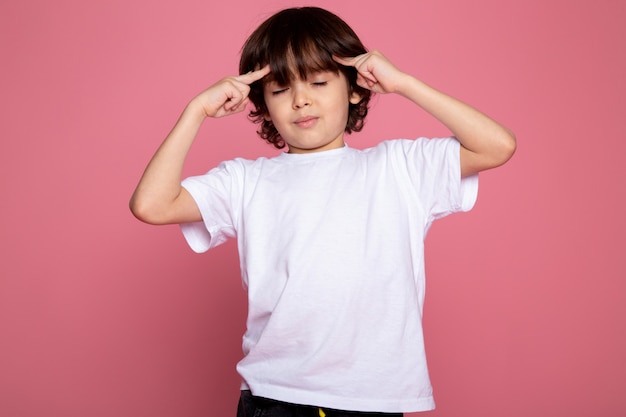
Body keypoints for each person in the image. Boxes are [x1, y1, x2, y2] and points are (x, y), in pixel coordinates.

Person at [129, 6, 516, 417]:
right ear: (262, 103)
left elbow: (497, 145)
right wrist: (196, 111)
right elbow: (151, 204)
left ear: (354, 88)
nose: (301, 100)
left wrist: (403, 84)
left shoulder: (400, 167)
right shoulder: (246, 182)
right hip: (276, 397)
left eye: (317, 81)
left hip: (373, 400)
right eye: (280, 90)